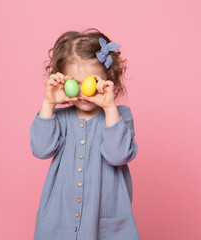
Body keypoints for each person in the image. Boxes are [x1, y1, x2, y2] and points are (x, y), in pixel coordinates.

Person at [29, 28, 140, 240]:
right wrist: (48, 103)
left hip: (105, 225)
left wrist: (109, 107)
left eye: (91, 83)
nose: (83, 92)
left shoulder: (119, 116)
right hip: (58, 222)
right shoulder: (59, 118)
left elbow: (118, 155)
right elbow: (41, 149)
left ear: (110, 80)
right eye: (75, 83)